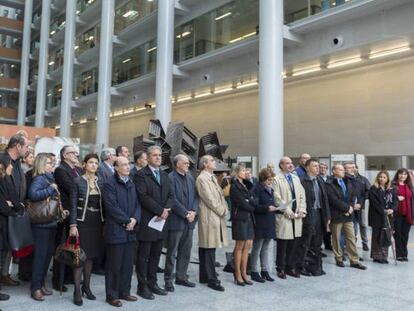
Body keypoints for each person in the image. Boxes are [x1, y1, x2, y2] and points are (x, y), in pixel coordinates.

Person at [135, 146, 173, 300]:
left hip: (161, 222)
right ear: (148, 157)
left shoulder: (164, 175)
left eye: (160, 155)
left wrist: (166, 210)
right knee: (144, 256)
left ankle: (153, 283)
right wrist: (160, 211)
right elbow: (143, 197)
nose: (158, 158)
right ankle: (142, 286)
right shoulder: (141, 175)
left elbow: (171, 195)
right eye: (155, 155)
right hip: (148, 221)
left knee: (156, 255)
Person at [102, 156, 141, 307]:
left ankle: (124, 291)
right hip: (116, 230)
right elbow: (111, 207)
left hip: (131, 230)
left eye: (128, 164)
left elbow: (138, 204)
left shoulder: (131, 182)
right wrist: (127, 221)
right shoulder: (109, 183)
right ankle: (112, 295)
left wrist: (134, 220)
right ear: (116, 167)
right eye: (123, 165)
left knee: (127, 264)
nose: (127, 167)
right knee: (114, 265)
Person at [69, 154, 105, 306]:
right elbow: (72, 204)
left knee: (90, 257)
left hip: (97, 222)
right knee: (80, 257)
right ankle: (77, 290)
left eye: (96, 163)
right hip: (82, 223)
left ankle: (87, 287)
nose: (93, 165)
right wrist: (73, 225)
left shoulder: (101, 181)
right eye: (90, 162)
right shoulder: (77, 181)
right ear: (84, 164)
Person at [164, 154, 198, 292]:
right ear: (177, 164)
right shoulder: (170, 178)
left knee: (185, 251)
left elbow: (195, 196)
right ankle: (168, 280)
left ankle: (181, 277)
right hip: (176, 221)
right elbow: (173, 199)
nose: (188, 165)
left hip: (189, 221)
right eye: (185, 163)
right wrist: (185, 213)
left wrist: (194, 211)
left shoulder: (190, 177)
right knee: (172, 252)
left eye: (188, 163)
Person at [28, 154, 59, 301]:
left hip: (50, 222)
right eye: (48, 162)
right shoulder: (40, 178)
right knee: (40, 257)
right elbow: (32, 194)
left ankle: (41, 283)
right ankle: (35, 288)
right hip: (41, 224)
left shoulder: (49, 177)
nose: (51, 164)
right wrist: (50, 190)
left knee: (47, 256)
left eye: (51, 162)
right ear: (41, 164)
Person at [196, 155, 228, 291]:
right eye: (212, 161)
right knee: (208, 247)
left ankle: (204, 275)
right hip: (209, 216)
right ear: (204, 164)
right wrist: (222, 210)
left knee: (208, 246)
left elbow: (220, 195)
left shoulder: (212, 177)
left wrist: (224, 207)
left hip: (214, 215)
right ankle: (211, 278)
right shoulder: (202, 178)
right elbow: (208, 198)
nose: (215, 162)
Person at [52, 145, 82, 291]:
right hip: (66, 215)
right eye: (72, 152)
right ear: (64, 156)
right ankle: (57, 280)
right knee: (62, 248)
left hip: (76, 213)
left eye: (76, 152)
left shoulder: (78, 170)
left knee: (73, 247)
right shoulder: (60, 170)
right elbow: (73, 188)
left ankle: (69, 276)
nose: (76, 154)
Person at [325, 164, 366, 270]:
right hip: (337, 215)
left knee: (351, 238)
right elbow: (333, 200)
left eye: (343, 169)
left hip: (348, 215)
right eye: (340, 169)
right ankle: (339, 258)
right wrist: (347, 209)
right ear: (334, 171)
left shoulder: (348, 181)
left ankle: (354, 260)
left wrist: (351, 208)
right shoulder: (329, 183)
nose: (343, 171)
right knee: (336, 238)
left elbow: (353, 196)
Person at [0, 134, 28, 287]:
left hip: (13, 211)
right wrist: (11, 206)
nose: (27, 149)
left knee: (8, 247)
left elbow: (18, 186)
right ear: (17, 146)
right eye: (26, 146)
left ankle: (4, 275)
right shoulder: (3, 160)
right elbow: (4, 189)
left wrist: (17, 205)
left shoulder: (16, 163)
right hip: (4, 211)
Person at [273, 157, 306, 279]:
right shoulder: (276, 179)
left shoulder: (296, 178)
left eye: (291, 163)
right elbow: (277, 198)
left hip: (297, 217)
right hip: (285, 216)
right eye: (287, 163)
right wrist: (288, 211)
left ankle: (290, 267)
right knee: (283, 244)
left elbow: (302, 196)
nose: (290, 165)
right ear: (281, 165)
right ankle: (280, 268)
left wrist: (302, 209)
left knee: (294, 244)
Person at [297, 159, 331, 276]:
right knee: (305, 242)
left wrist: (327, 217)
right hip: (308, 214)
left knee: (317, 242)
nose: (317, 168)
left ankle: (315, 266)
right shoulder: (302, 181)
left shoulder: (320, 180)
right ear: (307, 168)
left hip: (319, 214)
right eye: (315, 166)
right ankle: (301, 266)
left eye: (318, 166)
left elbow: (325, 199)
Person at [230, 163, 260, 286]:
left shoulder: (247, 184)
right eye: (242, 170)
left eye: (245, 170)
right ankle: (237, 274)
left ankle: (244, 273)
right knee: (240, 246)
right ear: (237, 172)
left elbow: (255, 199)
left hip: (249, 218)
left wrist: (251, 202)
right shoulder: (234, 186)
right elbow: (242, 203)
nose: (245, 172)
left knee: (248, 245)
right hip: (240, 218)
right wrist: (251, 205)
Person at [0, 159, 25, 300]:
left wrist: (13, 205)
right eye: (9, 165)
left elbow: (13, 198)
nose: (11, 167)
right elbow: (3, 205)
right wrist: (13, 208)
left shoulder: (4, 179)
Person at [250, 168, 277, 283]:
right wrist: (267, 208)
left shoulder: (270, 189)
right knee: (257, 247)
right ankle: (254, 271)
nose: (270, 182)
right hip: (261, 221)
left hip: (269, 220)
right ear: (263, 179)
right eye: (269, 180)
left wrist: (276, 207)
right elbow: (254, 206)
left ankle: (265, 270)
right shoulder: (257, 189)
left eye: (271, 179)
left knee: (266, 247)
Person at [368, 171, 397, 263]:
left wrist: (392, 209)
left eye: (384, 177)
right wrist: (384, 211)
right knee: (377, 236)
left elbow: (395, 201)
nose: (382, 179)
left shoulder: (391, 189)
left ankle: (384, 256)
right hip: (377, 217)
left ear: (387, 179)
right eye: (380, 177)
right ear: (377, 178)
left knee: (386, 236)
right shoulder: (373, 189)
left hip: (389, 217)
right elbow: (375, 203)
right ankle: (377, 257)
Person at [344, 162, 370, 251]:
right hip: (350, 208)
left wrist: (361, 204)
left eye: (354, 167)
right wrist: (352, 205)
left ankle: (365, 243)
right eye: (351, 167)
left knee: (363, 225)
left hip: (360, 207)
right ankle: (352, 245)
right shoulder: (346, 179)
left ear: (357, 168)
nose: (353, 169)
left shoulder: (363, 179)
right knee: (353, 227)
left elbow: (368, 192)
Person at [392, 168, 414, 261]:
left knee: (405, 235)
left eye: (405, 174)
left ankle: (404, 254)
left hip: (408, 214)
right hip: (397, 214)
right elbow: (389, 197)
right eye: (401, 174)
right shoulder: (393, 185)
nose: (403, 176)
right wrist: (396, 198)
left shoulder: (409, 186)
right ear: (397, 175)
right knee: (398, 234)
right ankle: (399, 254)